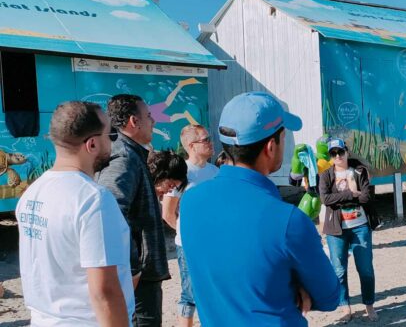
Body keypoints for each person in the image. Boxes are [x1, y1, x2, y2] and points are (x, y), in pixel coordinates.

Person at [181, 92, 340, 326]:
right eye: (284, 136)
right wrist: (295, 287)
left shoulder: (190, 202)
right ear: (270, 146)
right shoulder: (288, 220)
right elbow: (329, 297)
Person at [16, 101, 133, 325]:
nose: (113, 142)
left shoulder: (32, 193)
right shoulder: (93, 199)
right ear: (91, 144)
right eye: (112, 134)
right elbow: (104, 291)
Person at [96, 94, 168, 327]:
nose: (153, 121)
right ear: (133, 121)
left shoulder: (128, 152)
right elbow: (111, 212)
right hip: (138, 278)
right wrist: (132, 268)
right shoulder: (124, 158)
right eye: (148, 116)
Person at [160, 125, 218, 327]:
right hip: (189, 245)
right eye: (206, 139)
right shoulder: (181, 173)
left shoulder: (214, 172)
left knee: (213, 289)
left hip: (214, 243)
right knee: (190, 292)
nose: (211, 142)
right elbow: (167, 213)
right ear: (192, 146)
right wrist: (186, 233)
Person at [319, 138, 380, 322]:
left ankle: (369, 304)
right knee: (339, 270)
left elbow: (366, 198)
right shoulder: (326, 176)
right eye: (333, 153)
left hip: (360, 227)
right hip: (336, 230)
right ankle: (345, 307)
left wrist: (340, 198)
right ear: (330, 156)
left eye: (340, 152)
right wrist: (351, 194)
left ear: (346, 151)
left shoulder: (359, 171)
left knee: (366, 269)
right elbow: (325, 199)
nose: (337, 156)